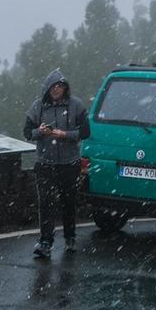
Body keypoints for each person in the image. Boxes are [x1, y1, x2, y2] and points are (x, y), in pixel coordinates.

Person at [24, 69, 89, 257]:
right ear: (47, 88)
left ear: (65, 88)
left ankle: (70, 238)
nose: (56, 90)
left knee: (68, 202)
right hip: (45, 163)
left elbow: (85, 132)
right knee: (45, 203)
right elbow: (27, 132)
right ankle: (45, 242)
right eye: (53, 86)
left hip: (70, 163)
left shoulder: (76, 105)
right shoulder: (38, 107)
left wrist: (65, 135)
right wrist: (40, 132)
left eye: (60, 86)